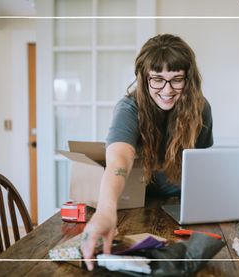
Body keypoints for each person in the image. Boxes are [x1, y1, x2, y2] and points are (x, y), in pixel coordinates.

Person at [80, 33, 213, 271]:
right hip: (139, 204)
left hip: (182, 206)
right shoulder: (129, 108)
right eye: (157, 79)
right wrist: (106, 210)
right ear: (143, 78)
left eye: (177, 79)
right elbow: (119, 159)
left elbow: (203, 167)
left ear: (188, 79)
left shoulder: (201, 108)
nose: (167, 89)